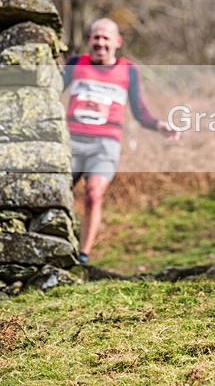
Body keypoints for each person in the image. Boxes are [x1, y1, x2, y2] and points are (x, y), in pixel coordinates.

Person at [62, 18, 180, 266]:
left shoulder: (127, 70)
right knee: (58, 193)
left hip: (104, 145)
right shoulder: (75, 64)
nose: (100, 43)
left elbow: (139, 111)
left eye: (106, 38)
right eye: (96, 37)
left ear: (117, 42)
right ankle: (59, 243)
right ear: (89, 40)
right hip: (70, 141)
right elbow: (49, 91)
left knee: (94, 193)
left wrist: (159, 125)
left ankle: (82, 256)